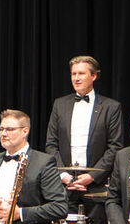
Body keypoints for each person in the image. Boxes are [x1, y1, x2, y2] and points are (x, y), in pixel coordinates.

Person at [44, 56, 124, 213]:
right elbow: (51, 144)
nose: (76, 78)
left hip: (96, 187)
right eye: (73, 74)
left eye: (81, 73)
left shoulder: (111, 107)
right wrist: (64, 175)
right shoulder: (60, 104)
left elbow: (115, 146)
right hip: (64, 186)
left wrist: (92, 176)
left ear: (94, 76)